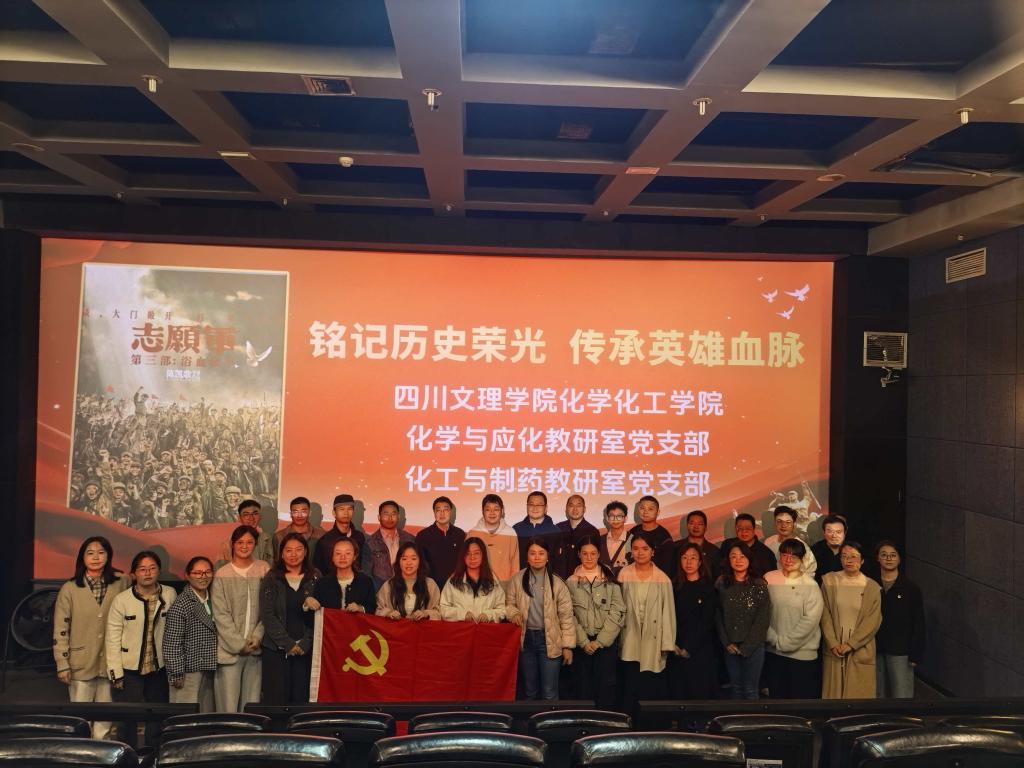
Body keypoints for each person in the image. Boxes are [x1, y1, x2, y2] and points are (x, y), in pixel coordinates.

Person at [53, 537, 129, 739]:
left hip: (111, 662)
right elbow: (61, 628)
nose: (96, 557)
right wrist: (62, 663)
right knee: (81, 719)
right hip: (80, 662)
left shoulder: (121, 582)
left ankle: (103, 753)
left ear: (109, 556)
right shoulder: (70, 588)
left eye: (101, 552)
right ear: (82, 557)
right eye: (90, 553)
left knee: (105, 721)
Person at [106, 550, 176, 741]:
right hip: (129, 670)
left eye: (152, 568)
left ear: (159, 571)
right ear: (134, 573)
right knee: (127, 719)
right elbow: (112, 638)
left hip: (159, 668)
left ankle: (153, 753)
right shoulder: (122, 600)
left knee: (157, 719)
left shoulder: (169, 594)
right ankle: (127, 753)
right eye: (142, 569)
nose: (148, 573)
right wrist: (116, 672)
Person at [505, 539, 575, 700]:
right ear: (527, 557)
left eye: (541, 553)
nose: (537, 557)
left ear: (547, 557)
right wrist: (514, 613)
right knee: (530, 691)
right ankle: (531, 718)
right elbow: (508, 605)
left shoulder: (557, 583)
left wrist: (567, 646)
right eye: (533, 553)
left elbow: (566, 617)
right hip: (526, 640)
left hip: (549, 640)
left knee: (549, 692)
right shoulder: (517, 580)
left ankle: (550, 718)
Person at [211, 524, 270, 712]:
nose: (245, 546)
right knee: (228, 708)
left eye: (249, 542)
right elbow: (220, 614)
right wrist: (238, 644)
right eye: (240, 542)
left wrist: (257, 636)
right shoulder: (222, 574)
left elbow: (269, 609)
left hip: (256, 651)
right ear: (233, 544)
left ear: (255, 544)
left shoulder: (264, 569)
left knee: (250, 706)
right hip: (229, 653)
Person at [618, 532, 676, 715]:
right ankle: (628, 722)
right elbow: (617, 608)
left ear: (653, 551)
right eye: (635, 549)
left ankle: (648, 724)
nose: (640, 553)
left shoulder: (662, 578)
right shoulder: (624, 574)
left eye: (645, 548)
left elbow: (668, 614)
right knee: (630, 683)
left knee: (649, 685)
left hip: (653, 638)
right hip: (630, 635)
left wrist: (667, 644)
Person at [565, 537, 624, 709]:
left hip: (605, 644)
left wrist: (600, 641)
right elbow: (569, 614)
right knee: (583, 688)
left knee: (605, 688)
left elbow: (618, 611)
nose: (589, 557)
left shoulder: (610, 580)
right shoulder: (571, 581)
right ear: (579, 554)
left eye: (593, 553)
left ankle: (604, 723)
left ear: (599, 554)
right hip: (582, 644)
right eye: (585, 554)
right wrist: (584, 642)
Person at [259, 533, 317, 704]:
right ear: (282, 553)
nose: (294, 554)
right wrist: (288, 644)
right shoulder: (271, 578)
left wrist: (305, 643)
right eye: (288, 550)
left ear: (305, 552)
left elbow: (321, 615)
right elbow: (267, 615)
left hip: (307, 652)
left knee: (302, 702)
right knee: (276, 702)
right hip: (276, 651)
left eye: (298, 549)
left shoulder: (315, 577)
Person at [820, 541, 882, 699]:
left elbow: (873, 621)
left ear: (862, 560)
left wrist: (851, 644)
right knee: (833, 696)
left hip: (860, 647)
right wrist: (833, 643)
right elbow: (824, 615)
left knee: (858, 696)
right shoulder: (829, 581)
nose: (849, 560)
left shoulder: (872, 587)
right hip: (834, 647)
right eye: (845, 556)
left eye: (854, 556)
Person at [764, 538, 823, 699]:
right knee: (777, 702)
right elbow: (761, 613)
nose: (788, 560)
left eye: (794, 556)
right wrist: (772, 638)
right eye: (784, 555)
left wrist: (785, 643)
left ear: (802, 559)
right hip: (773, 652)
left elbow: (811, 620)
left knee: (800, 702)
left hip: (802, 655)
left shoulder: (810, 585)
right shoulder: (768, 578)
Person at [715, 540, 770, 700]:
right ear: (728, 560)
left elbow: (763, 618)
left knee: (751, 690)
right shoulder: (721, 583)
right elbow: (717, 615)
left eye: (742, 556)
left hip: (754, 647)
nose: (738, 560)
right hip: (730, 646)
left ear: (749, 559)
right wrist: (727, 643)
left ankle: (752, 718)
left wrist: (747, 647)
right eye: (734, 556)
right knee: (736, 689)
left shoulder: (759, 584)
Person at [162, 556, 218, 712]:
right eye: (198, 573)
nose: (203, 577)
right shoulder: (181, 604)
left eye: (207, 572)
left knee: (205, 714)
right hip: (188, 671)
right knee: (186, 716)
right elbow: (172, 643)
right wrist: (177, 674)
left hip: (208, 668)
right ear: (187, 575)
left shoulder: (213, 598)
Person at [874, 541, 925, 699]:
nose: (888, 558)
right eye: (884, 555)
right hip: (874, 648)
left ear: (899, 559)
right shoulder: (870, 585)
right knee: (876, 694)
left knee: (902, 695)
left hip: (901, 651)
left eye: (893, 555)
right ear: (877, 558)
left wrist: (916, 654)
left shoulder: (911, 588)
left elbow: (919, 623)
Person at [668, 542, 718, 700]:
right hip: (676, 648)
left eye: (693, 558)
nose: (688, 562)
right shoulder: (673, 586)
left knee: (699, 693)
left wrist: (689, 647)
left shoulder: (708, 587)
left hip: (700, 649)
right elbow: (668, 618)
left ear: (700, 562)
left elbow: (707, 622)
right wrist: (674, 644)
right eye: (684, 558)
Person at [439, 537, 507, 623]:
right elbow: (443, 608)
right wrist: (462, 615)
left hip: (485, 630)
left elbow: (502, 609)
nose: (472, 557)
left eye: (476, 553)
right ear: (463, 557)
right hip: (461, 630)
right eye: (468, 553)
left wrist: (489, 615)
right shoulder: (453, 581)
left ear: (483, 555)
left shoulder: (493, 581)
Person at [305, 538, 376, 614]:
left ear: (355, 556)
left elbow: (372, 609)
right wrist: (307, 604)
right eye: (338, 553)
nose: (343, 557)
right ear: (332, 557)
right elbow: (314, 613)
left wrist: (361, 608)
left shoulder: (365, 582)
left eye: (347, 553)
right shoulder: (322, 583)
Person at [376, 542, 441, 620]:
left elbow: (438, 612)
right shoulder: (389, 585)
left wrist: (426, 613)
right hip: (395, 627)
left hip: (422, 627)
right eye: (404, 559)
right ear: (399, 562)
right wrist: (388, 613)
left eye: (413, 559)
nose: (409, 563)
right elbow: (378, 610)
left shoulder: (430, 585)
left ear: (420, 561)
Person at [363, 500, 415, 589]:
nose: (390, 518)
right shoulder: (370, 543)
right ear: (379, 517)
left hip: (407, 589)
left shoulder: (410, 539)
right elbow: (367, 574)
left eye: (393, 514)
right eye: (386, 514)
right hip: (381, 591)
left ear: (398, 517)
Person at [415, 495, 466, 586]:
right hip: (431, 586)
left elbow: (464, 560)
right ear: (434, 513)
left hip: (456, 584)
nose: (442, 514)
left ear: (451, 512)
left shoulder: (460, 534)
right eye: (438, 510)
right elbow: (419, 564)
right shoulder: (423, 536)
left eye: (445, 510)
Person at [469, 494, 520, 583]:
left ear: (502, 511)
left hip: (504, 584)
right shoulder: (473, 533)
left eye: (496, 509)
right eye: (488, 509)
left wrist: (513, 585)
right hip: (478, 583)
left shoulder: (510, 533)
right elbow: (467, 560)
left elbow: (515, 565)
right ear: (482, 511)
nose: (492, 513)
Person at [314, 493, 367, 576]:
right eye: (342, 509)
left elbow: (364, 564)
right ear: (334, 513)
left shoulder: (359, 537)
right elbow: (319, 571)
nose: (346, 513)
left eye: (350, 509)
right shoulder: (325, 541)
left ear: (353, 512)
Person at [513, 491, 564, 573]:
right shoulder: (516, 529)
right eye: (531, 504)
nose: (535, 508)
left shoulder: (555, 531)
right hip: (522, 577)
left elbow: (560, 562)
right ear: (527, 506)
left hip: (548, 578)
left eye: (539, 505)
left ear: (546, 508)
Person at [763, 506, 817, 579]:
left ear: (794, 524)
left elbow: (810, 571)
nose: (783, 525)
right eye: (779, 521)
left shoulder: (802, 546)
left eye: (788, 522)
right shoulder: (768, 541)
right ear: (775, 523)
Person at [219, 499, 275, 565]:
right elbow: (220, 569)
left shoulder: (268, 539)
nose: (251, 518)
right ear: (239, 518)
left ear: (260, 517)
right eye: (246, 515)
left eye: (255, 514)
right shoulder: (227, 544)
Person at [556, 495, 599, 578]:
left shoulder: (592, 531)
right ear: (566, 509)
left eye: (579, 506)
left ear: (584, 509)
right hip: (559, 579)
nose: (575, 509)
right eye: (571, 505)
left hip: (582, 580)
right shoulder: (558, 529)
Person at [273, 496, 321, 565]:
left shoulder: (321, 535)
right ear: (290, 514)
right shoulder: (279, 536)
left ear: (310, 513)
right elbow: (277, 562)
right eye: (295, 512)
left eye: (303, 512)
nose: (299, 516)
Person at [636, 496, 673, 572]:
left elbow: (667, 569)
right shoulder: (634, 531)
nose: (645, 512)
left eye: (650, 509)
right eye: (642, 508)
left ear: (658, 512)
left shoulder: (664, 537)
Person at [811, 515, 847, 584]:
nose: (834, 536)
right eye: (830, 531)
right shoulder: (814, 550)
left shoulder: (852, 550)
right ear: (824, 532)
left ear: (844, 533)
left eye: (838, 532)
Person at [599, 501, 632, 575]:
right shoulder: (600, 540)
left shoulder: (633, 540)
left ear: (625, 518)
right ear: (607, 518)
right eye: (612, 516)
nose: (615, 519)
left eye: (619, 516)